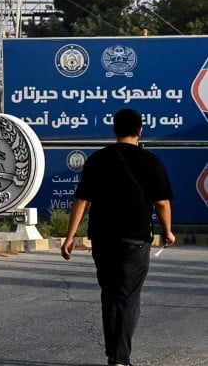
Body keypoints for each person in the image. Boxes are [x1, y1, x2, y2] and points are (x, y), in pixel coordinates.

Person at [61, 107, 175, 366]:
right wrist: (167, 231)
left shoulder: (97, 160)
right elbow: (162, 204)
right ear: (140, 130)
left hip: (102, 239)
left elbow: (81, 201)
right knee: (128, 297)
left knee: (110, 295)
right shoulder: (151, 161)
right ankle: (120, 359)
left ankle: (114, 354)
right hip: (136, 240)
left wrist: (70, 237)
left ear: (114, 130)